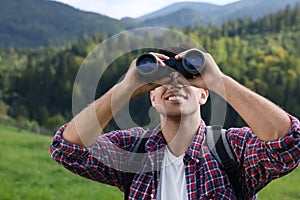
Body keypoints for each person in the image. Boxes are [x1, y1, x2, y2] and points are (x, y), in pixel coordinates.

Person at [50, 45, 300, 200]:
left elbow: (289, 142)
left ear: (204, 94)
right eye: (162, 82)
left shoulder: (232, 148)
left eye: (187, 81)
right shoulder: (134, 149)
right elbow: (68, 150)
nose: (174, 86)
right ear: (152, 96)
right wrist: (125, 87)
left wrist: (219, 80)